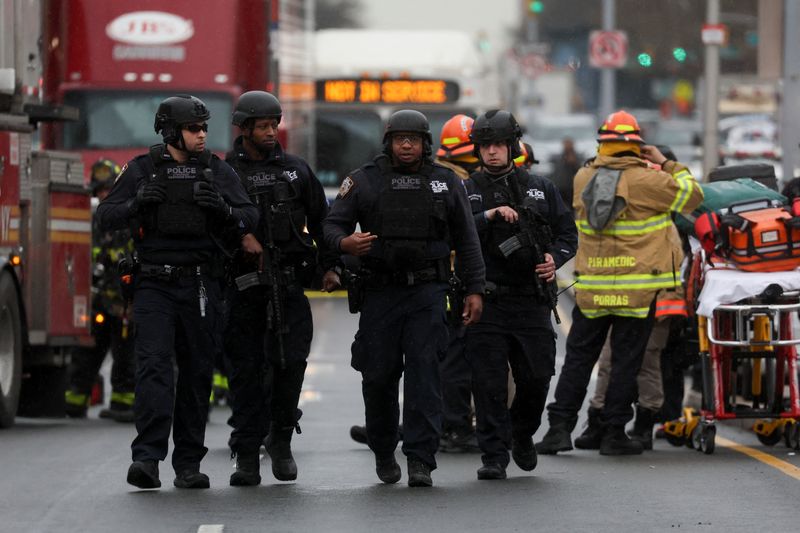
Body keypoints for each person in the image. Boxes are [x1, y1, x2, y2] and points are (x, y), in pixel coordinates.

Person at [97, 94, 258, 489]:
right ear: (171, 131)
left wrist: (222, 208)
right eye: (193, 128)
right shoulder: (142, 170)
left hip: (201, 282)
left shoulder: (216, 171)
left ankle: (188, 463)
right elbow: (104, 215)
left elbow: (249, 215)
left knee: (197, 373)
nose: (202, 135)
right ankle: (147, 459)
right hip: (153, 283)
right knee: (153, 368)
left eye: (204, 128)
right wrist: (136, 203)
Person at [323, 109, 485, 487]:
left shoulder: (445, 182)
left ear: (425, 143)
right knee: (378, 376)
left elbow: (467, 240)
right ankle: (383, 450)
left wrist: (475, 289)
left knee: (425, 375)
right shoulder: (364, 181)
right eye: (400, 139)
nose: (407, 145)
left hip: (428, 292)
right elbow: (332, 224)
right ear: (389, 143)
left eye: (413, 138)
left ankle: (420, 459)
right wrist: (343, 244)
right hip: (380, 292)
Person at [535, 110, 703, 456]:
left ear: (603, 144)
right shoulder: (648, 181)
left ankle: (559, 429)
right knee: (627, 362)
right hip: (636, 292)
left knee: (579, 360)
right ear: (637, 146)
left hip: (593, 290)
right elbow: (693, 196)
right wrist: (666, 163)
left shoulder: (584, 176)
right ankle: (613, 432)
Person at [224, 91, 338, 486]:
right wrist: (241, 238)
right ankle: (246, 455)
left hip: (288, 286)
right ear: (245, 129)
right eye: (263, 126)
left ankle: (282, 439)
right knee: (247, 373)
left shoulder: (295, 170)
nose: (271, 131)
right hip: (243, 289)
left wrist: (329, 267)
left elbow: (324, 223)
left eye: (275, 124)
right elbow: (211, 224)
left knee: (290, 367)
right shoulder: (225, 172)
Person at [463, 110, 577, 480]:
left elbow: (567, 235)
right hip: (488, 300)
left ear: (511, 146)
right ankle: (493, 454)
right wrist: (489, 217)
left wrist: (552, 258)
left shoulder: (540, 188)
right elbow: (453, 235)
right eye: (485, 146)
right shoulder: (466, 190)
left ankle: (522, 432)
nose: (492, 152)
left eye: (498, 145)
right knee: (489, 383)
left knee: (537, 376)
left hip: (531, 300)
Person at [65, 159, 136, 422]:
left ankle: (123, 401)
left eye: (108, 188)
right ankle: (76, 399)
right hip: (98, 299)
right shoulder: (94, 218)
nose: (103, 194)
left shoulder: (131, 215)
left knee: (126, 352)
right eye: (99, 190)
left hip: (125, 301)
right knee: (86, 353)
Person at [548, 137, 583, 209]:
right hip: (560, 187)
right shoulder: (558, 157)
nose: (567, 146)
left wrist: (574, 163)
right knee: (560, 207)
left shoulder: (577, 156)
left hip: (572, 187)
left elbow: (580, 170)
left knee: (572, 207)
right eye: (565, 144)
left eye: (569, 144)